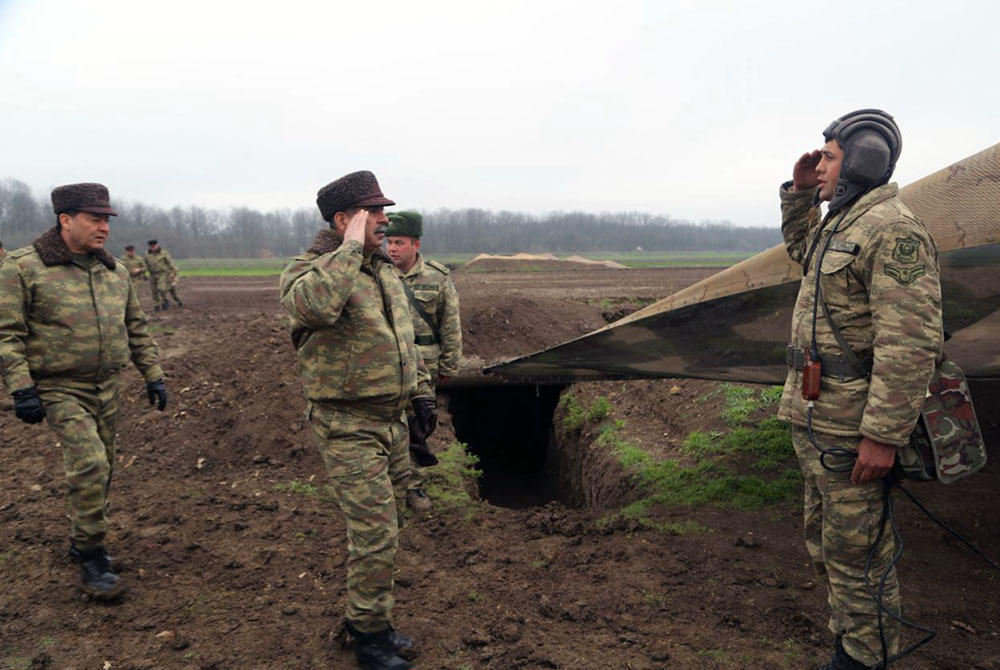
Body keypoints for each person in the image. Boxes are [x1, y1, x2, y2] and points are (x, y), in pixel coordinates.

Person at [778, 110, 943, 669]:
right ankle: (850, 646)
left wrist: (883, 435)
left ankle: (864, 660)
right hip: (818, 418)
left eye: (828, 157)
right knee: (828, 546)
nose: (819, 166)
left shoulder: (892, 231)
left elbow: (910, 345)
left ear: (864, 161)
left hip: (852, 427)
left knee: (858, 556)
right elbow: (804, 255)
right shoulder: (842, 221)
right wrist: (801, 195)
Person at [279, 170, 436, 670]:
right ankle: (368, 637)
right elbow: (317, 309)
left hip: (390, 419)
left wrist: (422, 395)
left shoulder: (381, 269)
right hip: (347, 424)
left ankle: (369, 619)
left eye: (386, 212)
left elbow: (403, 336)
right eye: (375, 213)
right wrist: (347, 248)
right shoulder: (308, 271)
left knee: (392, 524)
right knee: (374, 532)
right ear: (345, 220)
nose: (386, 222)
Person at [0, 182, 168, 601]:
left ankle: (81, 537)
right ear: (65, 220)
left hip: (107, 386)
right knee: (90, 464)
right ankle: (92, 555)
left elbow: (136, 327)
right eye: (94, 219)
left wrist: (153, 374)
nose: (103, 228)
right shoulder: (23, 268)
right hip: (59, 387)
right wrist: (21, 387)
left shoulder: (115, 272)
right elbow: (7, 334)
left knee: (105, 468)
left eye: (106, 220)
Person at [385, 210, 462, 511]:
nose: (392, 248)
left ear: (415, 244)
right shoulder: (378, 274)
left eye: (399, 242)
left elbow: (450, 324)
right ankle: (391, 484)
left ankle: (414, 488)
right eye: (389, 242)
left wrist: (448, 366)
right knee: (390, 425)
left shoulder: (437, 277)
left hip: (424, 366)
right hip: (388, 364)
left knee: (416, 426)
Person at [144, 239, 182, 310]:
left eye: (154, 246)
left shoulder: (163, 253)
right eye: (151, 246)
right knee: (154, 291)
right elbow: (145, 265)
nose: (153, 247)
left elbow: (171, 263)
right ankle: (156, 304)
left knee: (161, 288)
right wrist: (143, 274)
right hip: (152, 275)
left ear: (157, 245)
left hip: (163, 274)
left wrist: (174, 273)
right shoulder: (147, 255)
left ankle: (165, 301)